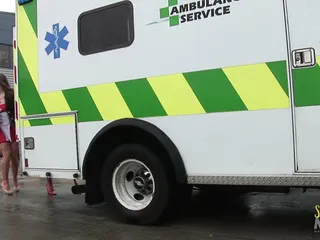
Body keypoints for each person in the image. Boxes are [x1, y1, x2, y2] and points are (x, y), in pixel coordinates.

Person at [0, 73, 19, 195]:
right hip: (1, 128)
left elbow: (17, 109)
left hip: (12, 127)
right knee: (6, 153)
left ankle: (15, 179)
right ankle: (5, 181)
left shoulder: (10, 94)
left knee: (14, 155)